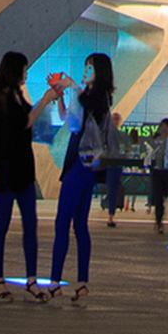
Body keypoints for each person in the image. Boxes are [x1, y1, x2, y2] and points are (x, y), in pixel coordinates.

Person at [44, 53, 117, 303]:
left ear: (100, 72)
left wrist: (72, 87)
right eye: (85, 67)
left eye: (90, 68)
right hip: (90, 167)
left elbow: (74, 125)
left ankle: (55, 282)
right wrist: (63, 95)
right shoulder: (98, 97)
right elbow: (66, 117)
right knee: (80, 226)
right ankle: (82, 282)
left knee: (62, 223)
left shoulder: (93, 96)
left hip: (78, 164)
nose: (86, 71)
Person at [0, 50, 48, 302]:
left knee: (31, 224)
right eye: (23, 69)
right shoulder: (2, 98)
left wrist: (45, 101)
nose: (26, 74)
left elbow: (27, 121)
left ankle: (31, 280)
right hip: (7, 170)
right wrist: (45, 100)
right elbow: (24, 123)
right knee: (3, 223)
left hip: (24, 169)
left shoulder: (18, 96)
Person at [146, 119, 168, 232]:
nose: (164, 131)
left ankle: (159, 218)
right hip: (157, 172)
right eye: (163, 128)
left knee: (164, 196)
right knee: (158, 198)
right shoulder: (156, 144)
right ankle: (159, 221)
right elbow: (149, 157)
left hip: (167, 172)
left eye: (167, 128)